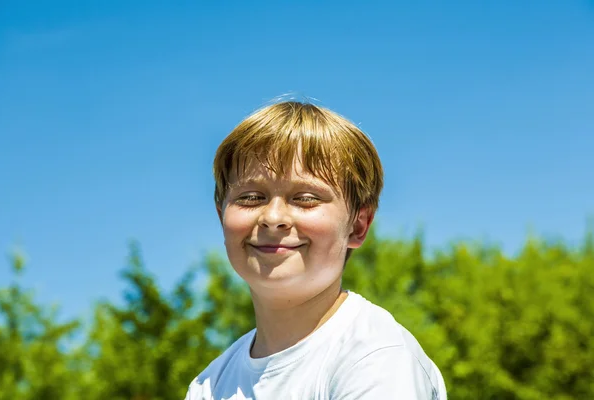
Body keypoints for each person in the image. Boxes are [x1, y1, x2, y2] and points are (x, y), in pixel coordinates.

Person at [184, 100, 447, 399]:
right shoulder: (210, 385)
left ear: (358, 226)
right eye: (252, 197)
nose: (273, 218)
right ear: (222, 217)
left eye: (306, 198)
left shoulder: (377, 360)